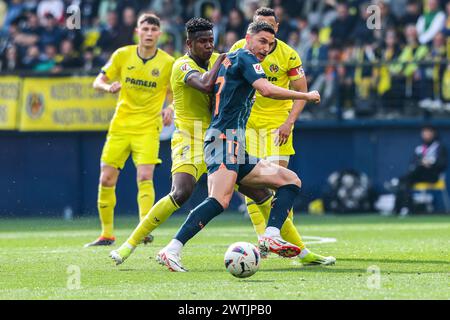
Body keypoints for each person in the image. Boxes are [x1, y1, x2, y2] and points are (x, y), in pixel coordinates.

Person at [156, 21, 321, 272]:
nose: (266, 48)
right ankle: (172, 249)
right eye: (262, 41)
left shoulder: (231, 59)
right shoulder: (245, 57)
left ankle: (271, 234)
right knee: (219, 200)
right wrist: (305, 96)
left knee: (290, 180)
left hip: (234, 145)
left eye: (270, 44)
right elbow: (266, 90)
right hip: (223, 141)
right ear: (248, 38)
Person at [110, 17, 275, 265]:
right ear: (189, 43)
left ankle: (293, 247)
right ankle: (129, 245)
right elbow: (207, 85)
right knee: (181, 191)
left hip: (220, 138)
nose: (208, 46)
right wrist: (225, 57)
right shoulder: (182, 65)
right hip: (190, 139)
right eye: (202, 41)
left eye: (211, 40)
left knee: (260, 192)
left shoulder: (222, 58)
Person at [230, 7, 335, 265]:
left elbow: (302, 89)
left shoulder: (288, 54)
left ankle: (291, 246)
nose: (265, 30)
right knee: (253, 186)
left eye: (269, 25)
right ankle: (264, 241)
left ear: (277, 27)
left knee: (281, 182)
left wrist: (289, 121)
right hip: (248, 124)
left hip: (278, 125)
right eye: (260, 25)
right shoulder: (239, 48)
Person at [85, 13, 175, 247]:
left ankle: (144, 230)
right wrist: (108, 87)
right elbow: (97, 81)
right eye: (144, 29)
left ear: (159, 33)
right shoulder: (122, 55)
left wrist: (171, 108)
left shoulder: (168, 63)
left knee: (145, 176)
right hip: (121, 125)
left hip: (148, 127)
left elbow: (178, 92)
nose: (149, 34)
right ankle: (107, 234)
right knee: (106, 178)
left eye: (153, 30)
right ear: (137, 32)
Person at [391, 125, 448, 215]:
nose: (425, 134)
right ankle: (403, 209)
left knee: (411, 175)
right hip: (418, 175)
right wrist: (421, 162)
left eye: (428, 132)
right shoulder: (420, 148)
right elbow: (412, 162)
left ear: (433, 133)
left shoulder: (439, 147)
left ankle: (398, 180)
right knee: (405, 183)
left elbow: (443, 164)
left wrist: (431, 163)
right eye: (424, 132)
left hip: (432, 175)